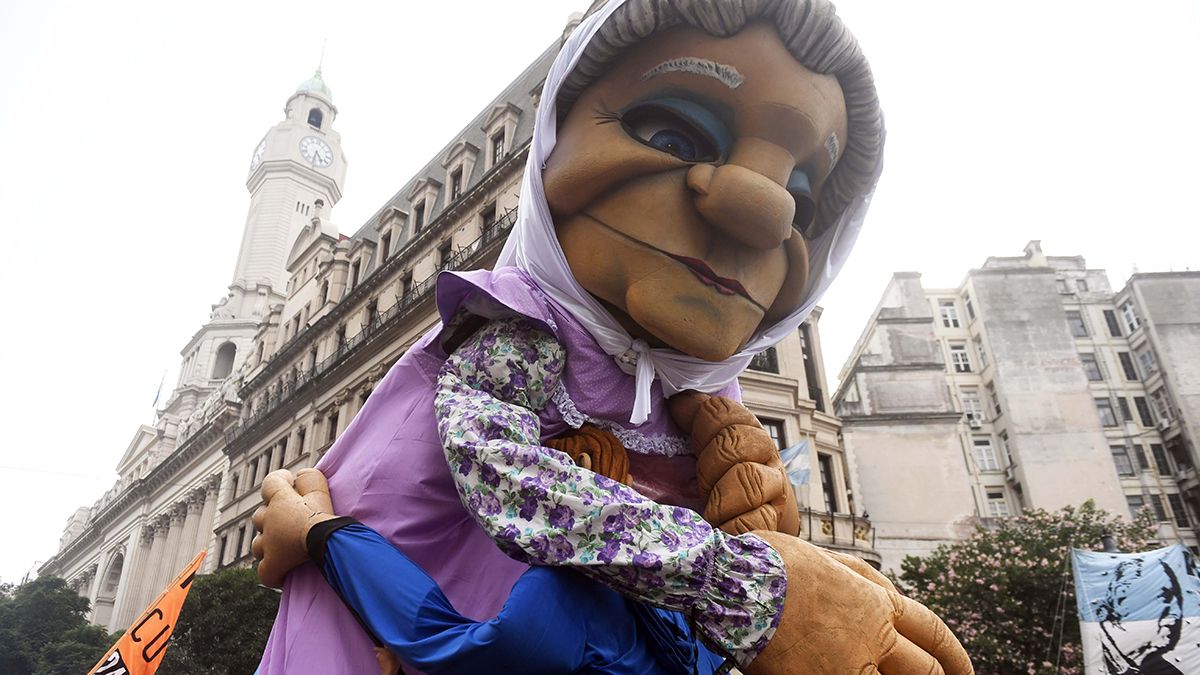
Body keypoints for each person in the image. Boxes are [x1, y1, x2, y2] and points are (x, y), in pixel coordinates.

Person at [253, 1, 972, 673]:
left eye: (805, 196)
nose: (765, 208)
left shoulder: (708, 413)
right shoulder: (522, 336)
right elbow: (507, 484)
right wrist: (753, 589)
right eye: (672, 131)